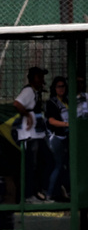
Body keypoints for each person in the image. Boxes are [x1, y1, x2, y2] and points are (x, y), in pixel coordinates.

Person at [13, 66, 47, 203]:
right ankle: (28, 195)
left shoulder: (36, 92)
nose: (42, 80)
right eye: (39, 77)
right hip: (28, 134)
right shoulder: (28, 91)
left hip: (37, 134)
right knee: (30, 165)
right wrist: (28, 115)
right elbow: (17, 104)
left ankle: (38, 191)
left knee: (41, 162)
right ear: (33, 78)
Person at [43, 76, 70, 202]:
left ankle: (63, 191)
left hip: (66, 137)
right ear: (54, 88)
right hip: (56, 138)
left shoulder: (67, 101)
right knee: (58, 165)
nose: (61, 89)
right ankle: (49, 193)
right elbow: (51, 121)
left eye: (63, 86)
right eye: (59, 86)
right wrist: (66, 124)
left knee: (66, 165)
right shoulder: (52, 103)